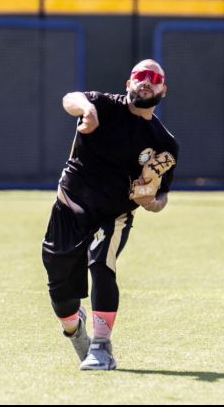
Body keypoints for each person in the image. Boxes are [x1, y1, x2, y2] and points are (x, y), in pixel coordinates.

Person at [41, 59, 179, 371]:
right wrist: (86, 110)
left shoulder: (164, 143)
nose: (146, 81)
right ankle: (74, 326)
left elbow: (162, 197)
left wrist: (149, 202)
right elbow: (70, 98)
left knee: (101, 263)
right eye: (139, 76)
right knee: (61, 293)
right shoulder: (103, 106)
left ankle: (102, 348)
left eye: (153, 78)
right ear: (128, 82)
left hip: (114, 213)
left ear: (163, 90)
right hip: (70, 203)